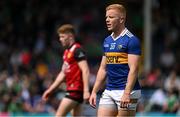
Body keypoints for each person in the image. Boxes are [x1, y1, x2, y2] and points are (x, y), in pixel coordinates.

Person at [89, 4, 141, 116]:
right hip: (109, 90)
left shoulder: (131, 40)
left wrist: (127, 93)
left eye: (111, 17)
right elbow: (103, 69)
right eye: (106, 17)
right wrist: (94, 91)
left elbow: (134, 69)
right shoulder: (107, 41)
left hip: (127, 91)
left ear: (122, 19)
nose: (107, 20)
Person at [42, 24, 90, 116]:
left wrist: (86, 91)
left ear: (70, 36)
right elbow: (62, 74)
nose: (60, 39)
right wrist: (50, 90)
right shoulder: (66, 52)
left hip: (75, 90)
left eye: (63, 36)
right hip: (74, 90)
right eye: (60, 37)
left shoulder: (77, 50)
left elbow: (85, 70)